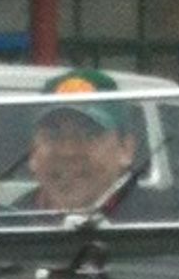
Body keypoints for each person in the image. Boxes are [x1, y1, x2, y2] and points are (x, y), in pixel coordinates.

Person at [24, 77, 143, 218]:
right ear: (32, 153)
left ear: (126, 149)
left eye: (89, 135)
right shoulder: (8, 223)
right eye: (52, 136)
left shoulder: (160, 221)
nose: (68, 151)